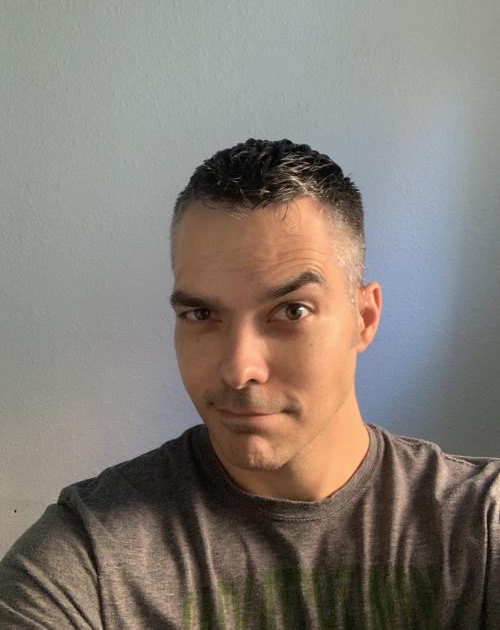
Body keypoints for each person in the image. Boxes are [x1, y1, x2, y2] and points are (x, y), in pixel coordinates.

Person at [0, 139, 498, 629]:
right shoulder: (91, 556)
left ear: (363, 318)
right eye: (201, 314)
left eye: (292, 311)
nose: (239, 370)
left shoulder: (480, 524)